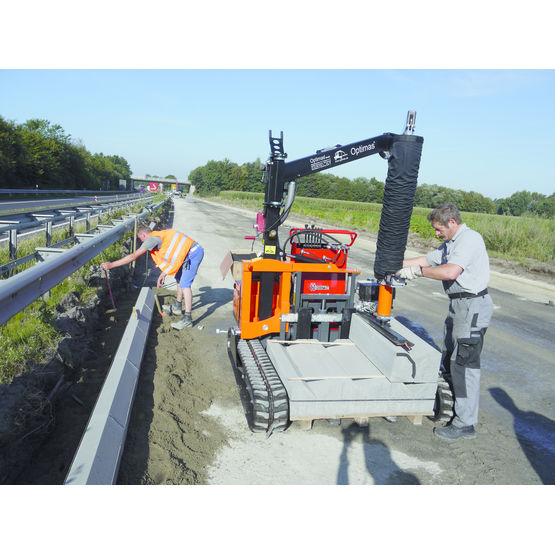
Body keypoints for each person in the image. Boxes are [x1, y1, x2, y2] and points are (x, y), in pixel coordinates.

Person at [396, 203, 493, 441]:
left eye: (438, 229)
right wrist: (394, 264)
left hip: (472, 306)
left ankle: (465, 423)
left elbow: (449, 272)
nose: (436, 233)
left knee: (464, 363)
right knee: (450, 358)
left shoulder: (469, 240)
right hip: (459, 306)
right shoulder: (451, 243)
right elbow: (428, 259)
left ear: (452, 223)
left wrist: (416, 272)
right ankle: (453, 408)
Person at [100, 225, 204, 329]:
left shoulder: (151, 240)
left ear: (143, 235)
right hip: (186, 253)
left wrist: (111, 265)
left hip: (193, 253)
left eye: (141, 239)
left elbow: (133, 256)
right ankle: (177, 305)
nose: (142, 242)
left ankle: (187, 319)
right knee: (178, 278)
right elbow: (172, 254)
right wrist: (163, 273)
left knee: (185, 285)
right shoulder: (158, 236)